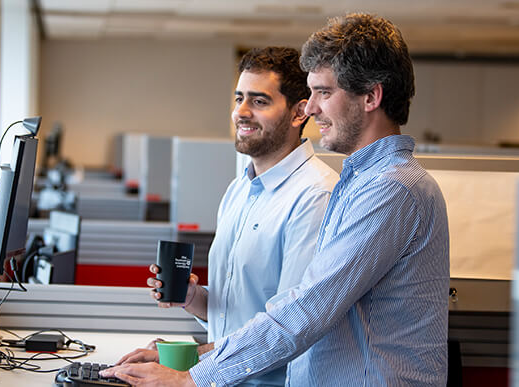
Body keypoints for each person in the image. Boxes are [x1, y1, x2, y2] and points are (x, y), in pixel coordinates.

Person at [101, 13, 450, 386]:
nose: (312, 109)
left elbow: (305, 311)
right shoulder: (363, 182)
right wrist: (194, 356)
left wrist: (192, 379)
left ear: (371, 97)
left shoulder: (390, 190)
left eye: (324, 93)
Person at [115, 46, 338, 386]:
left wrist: (190, 364)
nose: (241, 112)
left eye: (259, 101)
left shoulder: (315, 196)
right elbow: (239, 315)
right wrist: (196, 299)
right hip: (220, 377)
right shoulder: (239, 190)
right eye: (238, 99)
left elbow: (285, 330)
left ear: (299, 113)